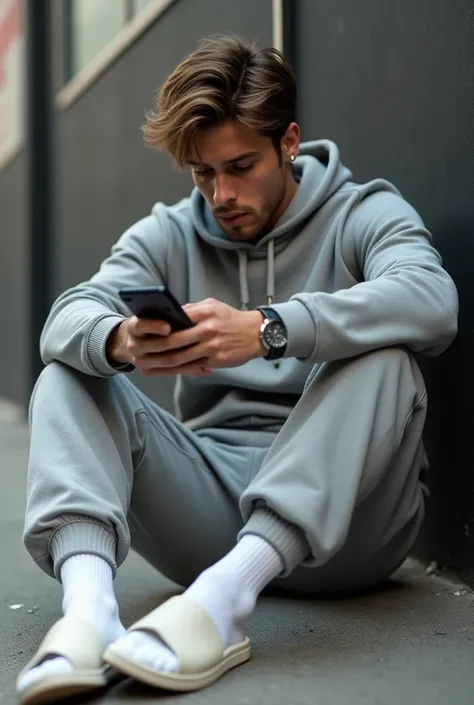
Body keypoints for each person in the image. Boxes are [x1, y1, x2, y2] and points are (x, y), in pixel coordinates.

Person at [17, 34, 458, 703]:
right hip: (211, 509)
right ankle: (89, 611)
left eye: (240, 165)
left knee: (387, 354)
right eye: (202, 173)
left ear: (289, 141)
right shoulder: (170, 231)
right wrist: (120, 340)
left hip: (351, 532)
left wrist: (269, 330)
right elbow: (66, 315)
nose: (220, 193)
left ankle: (223, 606)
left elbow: (433, 300)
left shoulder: (363, 212)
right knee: (69, 368)